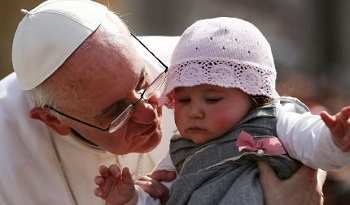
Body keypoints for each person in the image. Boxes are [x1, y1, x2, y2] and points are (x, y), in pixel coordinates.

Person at [1, 0, 325, 204]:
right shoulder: (6, 145)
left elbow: (285, 121)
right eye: (117, 112)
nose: (149, 113)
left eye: (144, 82)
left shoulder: (195, 67)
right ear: (53, 120)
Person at [94, 17, 350, 205]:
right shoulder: (182, 150)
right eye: (184, 101)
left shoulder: (274, 121)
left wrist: (336, 140)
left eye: (212, 99)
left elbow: (310, 140)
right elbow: (166, 196)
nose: (195, 112)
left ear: (252, 95)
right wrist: (132, 198)